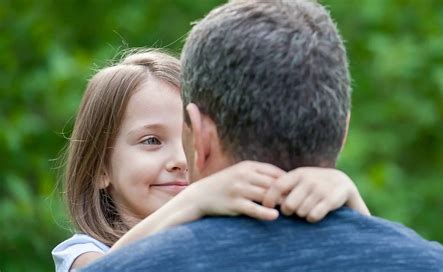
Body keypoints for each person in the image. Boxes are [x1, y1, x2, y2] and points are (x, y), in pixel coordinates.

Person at [82, 0, 443, 271]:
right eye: (150, 140)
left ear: (199, 136)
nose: (177, 160)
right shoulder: (433, 263)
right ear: (342, 132)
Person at [52, 49, 371, 272]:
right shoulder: (82, 252)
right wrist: (194, 198)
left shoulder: (223, 233)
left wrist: (349, 196)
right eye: (152, 141)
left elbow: (380, 259)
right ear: (100, 168)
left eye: (189, 139)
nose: (179, 160)